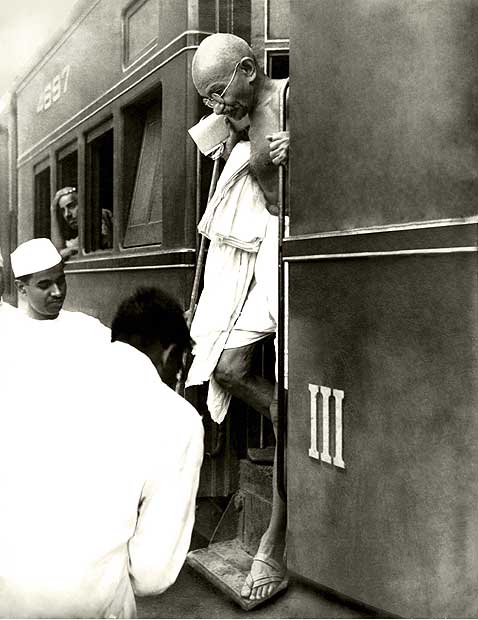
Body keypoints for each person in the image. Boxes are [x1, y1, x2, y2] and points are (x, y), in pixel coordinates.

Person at [0, 284, 203, 618]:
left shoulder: (53, 372)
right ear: (168, 353)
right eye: (181, 363)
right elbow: (151, 574)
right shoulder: (178, 420)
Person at [190, 33, 289, 604]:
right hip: (242, 264)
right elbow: (211, 206)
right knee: (226, 369)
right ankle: (278, 412)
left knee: (242, 370)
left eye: (218, 94)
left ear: (249, 69)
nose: (215, 108)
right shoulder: (234, 117)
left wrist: (296, 149)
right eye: (207, 99)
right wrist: (197, 290)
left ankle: (273, 544)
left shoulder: (287, 99)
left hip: (277, 258)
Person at [10, 237, 110, 348]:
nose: (57, 292)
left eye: (60, 281)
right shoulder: (11, 338)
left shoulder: (86, 327)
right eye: (45, 286)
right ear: (21, 288)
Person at [50, 186, 113, 259]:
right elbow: (58, 252)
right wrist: (53, 210)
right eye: (63, 210)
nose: (67, 214)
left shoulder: (100, 216)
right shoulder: (81, 234)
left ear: (84, 204)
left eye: (71, 206)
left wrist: (72, 250)